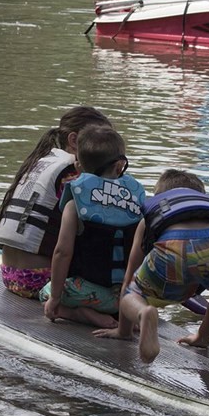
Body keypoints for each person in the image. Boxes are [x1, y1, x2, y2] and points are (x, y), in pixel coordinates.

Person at [94, 169, 209, 369]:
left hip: (172, 246)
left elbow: (130, 274)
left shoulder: (154, 213)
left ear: (160, 195)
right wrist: (202, 338)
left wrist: (124, 332)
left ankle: (143, 313)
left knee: (132, 293)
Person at [0, 106, 111, 300]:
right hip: (40, 280)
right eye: (99, 141)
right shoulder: (73, 172)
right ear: (74, 140)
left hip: (10, 275)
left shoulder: (42, 161)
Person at [41, 125, 145, 328]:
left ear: (79, 167)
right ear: (120, 166)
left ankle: (77, 314)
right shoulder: (137, 202)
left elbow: (62, 252)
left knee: (44, 292)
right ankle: (125, 317)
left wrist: (54, 297)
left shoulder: (75, 204)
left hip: (86, 294)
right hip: (127, 297)